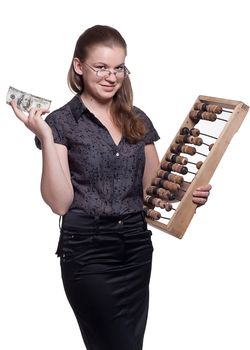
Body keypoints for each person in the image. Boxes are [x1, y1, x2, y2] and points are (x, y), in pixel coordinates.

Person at [10, 25, 212, 350]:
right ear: (79, 66)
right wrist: (46, 137)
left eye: (119, 68)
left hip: (135, 247)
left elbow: (153, 187)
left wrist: (187, 193)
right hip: (87, 252)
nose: (111, 77)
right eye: (101, 67)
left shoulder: (137, 119)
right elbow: (60, 203)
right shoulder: (61, 123)